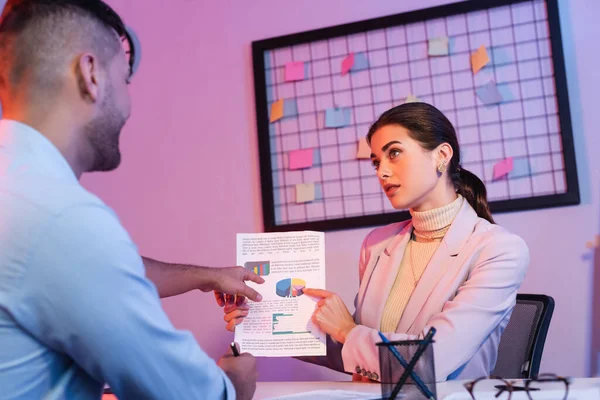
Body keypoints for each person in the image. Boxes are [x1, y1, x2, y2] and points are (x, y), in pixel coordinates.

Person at [0, 1, 262, 399]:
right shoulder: (62, 217)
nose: (128, 105)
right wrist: (235, 385)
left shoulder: (21, 189)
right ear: (90, 75)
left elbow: (102, 270)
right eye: (125, 80)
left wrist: (206, 275)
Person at [222, 102, 530, 382]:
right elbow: (356, 350)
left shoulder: (500, 249)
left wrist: (347, 330)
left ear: (442, 155)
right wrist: (265, 321)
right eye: (376, 161)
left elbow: (430, 362)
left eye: (394, 153)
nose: (382, 171)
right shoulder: (377, 243)